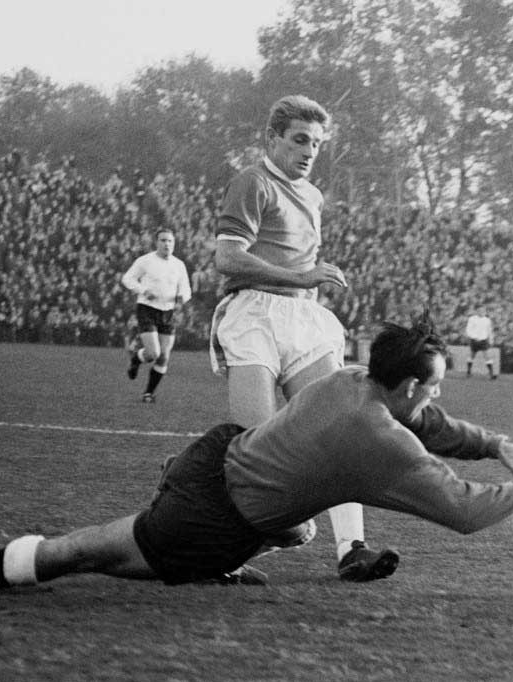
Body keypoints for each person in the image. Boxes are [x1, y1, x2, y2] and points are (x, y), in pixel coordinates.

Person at [0, 314, 513, 590]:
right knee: (84, 552)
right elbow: (466, 511)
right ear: (409, 383)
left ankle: (226, 552)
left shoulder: (353, 381)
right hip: (211, 517)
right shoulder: (381, 443)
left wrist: (500, 444)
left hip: (219, 459)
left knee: (295, 525)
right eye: (434, 385)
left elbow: (434, 422)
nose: (437, 398)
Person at [209, 94, 389, 581]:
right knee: (256, 450)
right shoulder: (252, 181)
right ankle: (224, 557)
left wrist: (304, 283)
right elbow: (227, 258)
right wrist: (303, 276)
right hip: (254, 315)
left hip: (302, 318)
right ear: (273, 139)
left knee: (342, 428)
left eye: (317, 143)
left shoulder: (312, 195)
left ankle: (353, 550)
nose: (309, 151)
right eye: (299, 140)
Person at [120, 228, 192, 403]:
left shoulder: (178, 264)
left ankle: (148, 393)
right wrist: (143, 290)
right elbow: (127, 279)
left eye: (170, 241)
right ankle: (137, 358)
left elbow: (186, 287)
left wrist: (183, 296)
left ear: (174, 244)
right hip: (147, 309)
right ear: (156, 242)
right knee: (153, 353)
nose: (166, 244)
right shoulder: (145, 261)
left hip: (168, 311)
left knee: (164, 356)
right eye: (163, 240)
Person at [465, 309, 497, 379]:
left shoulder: (487, 320)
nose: (482, 312)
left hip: (483, 340)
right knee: (471, 356)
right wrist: (473, 337)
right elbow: (468, 329)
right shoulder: (472, 319)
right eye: (480, 311)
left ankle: (491, 374)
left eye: (483, 311)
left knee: (487, 356)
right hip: (474, 340)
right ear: (477, 311)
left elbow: (489, 330)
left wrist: (491, 339)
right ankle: (468, 372)